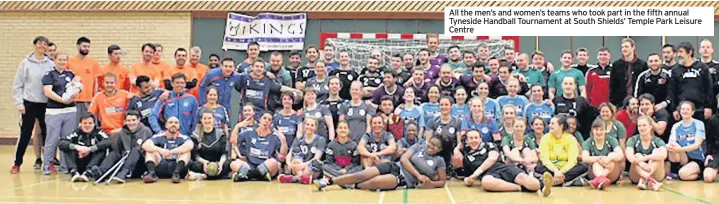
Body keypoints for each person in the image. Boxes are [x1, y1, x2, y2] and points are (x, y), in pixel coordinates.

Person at [313, 136, 447, 191]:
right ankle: (328, 182)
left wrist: (429, 184)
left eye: (435, 146)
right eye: (431, 142)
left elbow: (442, 182)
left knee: (373, 182)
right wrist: (419, 175)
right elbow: (404, 159)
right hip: (394, 166)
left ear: (440, 149)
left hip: (403, 180)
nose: (431, 146)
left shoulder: (439, 161)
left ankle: (349, 185)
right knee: (363, 174)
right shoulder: (419, 146)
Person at [457, 130, 552, 196]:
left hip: (503, 168)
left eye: (476, 137)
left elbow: (492, 159)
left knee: (531, 184)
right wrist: (468, 180)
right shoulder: (467, 157)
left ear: (480, 139)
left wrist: (475, 174)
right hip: (489, 175)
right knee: (486, 182)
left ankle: (541, 185)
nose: (474, 140)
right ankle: (520, 188)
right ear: (467, 141)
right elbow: (468, 177)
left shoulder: (489, 145)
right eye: (471, 138)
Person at [11, 36, 54, 174]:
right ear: (34, 45)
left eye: (44, 44)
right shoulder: (25, 63)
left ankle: (49, 162)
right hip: (29, 104)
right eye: (39, 43)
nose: (42, 46)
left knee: (47, 135)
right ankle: (17, 163)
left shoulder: (50, 64)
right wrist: (19, 103)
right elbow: (18, 85)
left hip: (46, 104)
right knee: (25, 134)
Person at [41, 52, 77, 175]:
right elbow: (47, 92)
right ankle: (47, 165)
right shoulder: (49, 75)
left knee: (67, 139)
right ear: (55, 60)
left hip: (70, 111)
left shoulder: (70, 74)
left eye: (64, 60)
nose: (62, 62)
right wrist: (62, 100)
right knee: (52, 139)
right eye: (59, 60)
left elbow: (75, 89)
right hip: (54, 112)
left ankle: (65, 166)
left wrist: (73, 96)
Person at [93, 110, 153, 183]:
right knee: (114, 153)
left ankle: (125, 173)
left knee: (136, 150)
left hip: (140, 162)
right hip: (125, 159)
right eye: (128, 120)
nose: (131, 123)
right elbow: (118, 148)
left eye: (133, 120)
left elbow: (145, 149)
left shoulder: (146, 131)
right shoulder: (122, 131)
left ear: (138, 120)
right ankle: (101, 171)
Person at [230, 112, 288, 182]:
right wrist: (237, 126)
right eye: (264, 118)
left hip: (265, 164)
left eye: (269, 120)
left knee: (274, 163)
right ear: (260, 119)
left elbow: (283, 155)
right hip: (250, 165)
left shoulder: (274, 136)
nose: (266, 121)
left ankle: (246, 175)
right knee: (233, 164)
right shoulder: (249, 132)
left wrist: (283, 140)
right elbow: (233, 141)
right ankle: (259, 175)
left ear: (271, 123)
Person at [234, 59, 302, 117]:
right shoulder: (243, 78)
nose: (259, 68)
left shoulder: (267, 80)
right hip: (245, 112)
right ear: (252, 67)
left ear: (263, 69)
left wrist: (295, 90)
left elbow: (280, 87)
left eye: (261, 67)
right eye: (257, 66)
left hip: (260, 113)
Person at [535, 115, 588, 187]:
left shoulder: (571, 139)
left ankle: (553, 181)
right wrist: (555, 171)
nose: (549, 125)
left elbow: (572, 161)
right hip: (551, 168)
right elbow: (545, 159)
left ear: (561, 126)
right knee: (538, 168)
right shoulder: (545, 138)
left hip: (566, 169)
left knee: (583, 167)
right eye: (550, 123)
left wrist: (561, 171)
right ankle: (567, 181)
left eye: (552, 123)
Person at [668, 41, 714, 121]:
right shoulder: (675, 70)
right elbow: (672, 91)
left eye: (681, 52)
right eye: (678, 52)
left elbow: (709, 88)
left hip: (700, 109)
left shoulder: (702, 67)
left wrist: (708, 106)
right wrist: (674, 109)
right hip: (682, 109)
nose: (678, 55)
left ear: (689, 52)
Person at [59, 114, 111, 182]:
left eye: (90, 123)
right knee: (67, 148)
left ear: (94, 124)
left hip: (93, 162)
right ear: (80, 124)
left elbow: (108, 141)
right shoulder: (77, 133)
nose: (87, 125)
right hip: (80, 160)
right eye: (85, 123)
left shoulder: (99, 132)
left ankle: (88, 173)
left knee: (101, 149)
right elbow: (62, 143)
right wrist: (77, 147)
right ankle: (74, 172)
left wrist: (90, 149)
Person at [141, 117, 194, 183]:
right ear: (166, 125)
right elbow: (145, 145)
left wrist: (171, 152)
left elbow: (190, 145)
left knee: (186, 152)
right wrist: (160, 150)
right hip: (162, 164)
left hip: (176, 165)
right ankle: (152, 174)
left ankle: (176, 174)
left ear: (179, 126)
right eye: (170, 122)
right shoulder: (159, 136)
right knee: (150, 151)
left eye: (176, 123)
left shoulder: (184, 137)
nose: (173, 124)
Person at [186, 110, 231, 181]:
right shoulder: (195, 135)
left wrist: (220, 164)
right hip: (203, 164)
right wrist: (204, 162)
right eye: (205, 118)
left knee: (229, 163)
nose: (207, 121)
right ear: (201, 120)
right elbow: (195, 155)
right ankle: (208, 176)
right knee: (193, 165)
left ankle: (204, 176)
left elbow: (224, 153)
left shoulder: (221, 133)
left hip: (218, 164)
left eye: (209, 118)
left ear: (214, 119)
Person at [666, 101, 706, 181]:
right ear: (680, 111)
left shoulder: (698, 124)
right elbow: (671, 143)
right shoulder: (676, 126)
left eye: (688, 109)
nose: (685, 111)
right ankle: (674, 171)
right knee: (672, 145)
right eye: (683, 109)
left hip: (697, 158)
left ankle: (698, 173)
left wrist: (679, 149)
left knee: (683, 175)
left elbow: (697, 145)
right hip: (684, 157)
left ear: (693, 112)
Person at [625, 116, 667, 191]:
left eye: (644, 125)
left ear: (650, 127)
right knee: (637, 155)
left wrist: (646, 158)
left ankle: (644, 179)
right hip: (636, 176)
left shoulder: (657, 140)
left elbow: (664, 155)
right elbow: (629, 155)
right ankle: (650, 180)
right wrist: (641, 163)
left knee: (656, 152)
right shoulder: (633, 139)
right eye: (639, 126)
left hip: (657, 175)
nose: (642, 128)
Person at [279, 118, 327, 184]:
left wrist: (303, 165)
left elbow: (316, 158)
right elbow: (289, 154)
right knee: (296, 150)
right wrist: (289, 164)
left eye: (312, 125)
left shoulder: (321, 139)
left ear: (315, 127)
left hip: (309, 166)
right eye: (307, 124)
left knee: (316, 163)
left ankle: (294, 178)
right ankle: (302, 178)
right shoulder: (299, 139)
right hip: (298, 166)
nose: (309, 127)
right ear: (304, 126)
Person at [581, 119, 624, 189]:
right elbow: (584, 158)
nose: (599, 132)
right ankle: (602, 179)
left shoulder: (611, 140)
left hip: (611, 172)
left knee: (612, 157)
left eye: (601, 129)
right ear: (592, 130)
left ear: (605, 130)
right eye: (596, 130)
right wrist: (599, 158)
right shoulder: (587, 142)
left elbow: (620, 155)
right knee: (596, 163)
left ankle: (599, 179)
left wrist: (609, 158)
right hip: (594, 172)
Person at [67, 37, 103, 120]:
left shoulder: (93, 62)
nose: (86, 48)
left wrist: (95, 97)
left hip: (88, 100)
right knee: (73, 126)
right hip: (73, 99)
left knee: (90, 124)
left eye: (88, 47)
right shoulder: (69, 61)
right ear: (78, 46)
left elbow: (96, 81)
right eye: (84, 46)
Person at [609, 38, 649, 107]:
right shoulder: (616, 65)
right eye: (622, 47)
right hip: (620, 103)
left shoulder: (642, 65)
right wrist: (613, 104)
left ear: (633, 47)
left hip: (638, 102)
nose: (624, 49)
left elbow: (645, 85)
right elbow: (612, 86)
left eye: (626, 47)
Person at [425, 97, 463, 170]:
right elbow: (427, 141)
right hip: (436, 149)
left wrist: (457, 150)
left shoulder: (457, 122)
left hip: (451, 150)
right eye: (441, 105)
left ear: (451, 106)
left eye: (446, 105)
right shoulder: (433, 120)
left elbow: (459, 142)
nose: (444, 107)